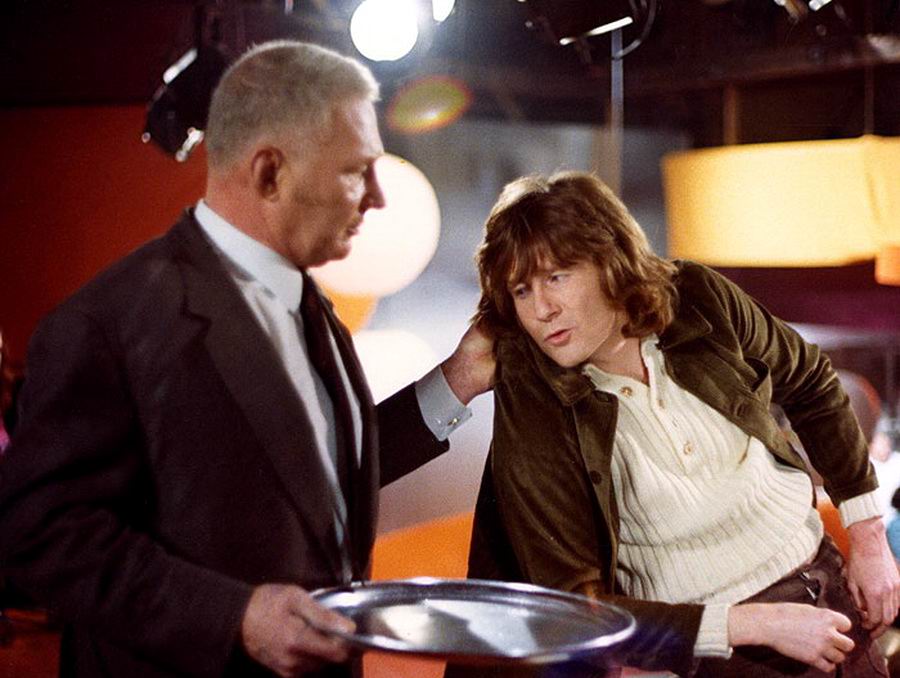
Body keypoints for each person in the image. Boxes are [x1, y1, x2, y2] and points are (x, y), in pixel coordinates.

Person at [0, 40, 493, 678]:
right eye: (355, 171)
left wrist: (458, 380)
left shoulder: (309, 304)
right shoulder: (107, 322)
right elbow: (40, 531)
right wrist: (236, 617)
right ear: (269, 174)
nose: (376, 198)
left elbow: (313, 472)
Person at [458, 170, 899, 677]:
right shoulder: (535, 398)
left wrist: (868, 537)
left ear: (609, 261)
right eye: (521, 290)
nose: (543, 309)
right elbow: (575, 609)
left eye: (557, 276)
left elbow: (811, 381)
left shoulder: (696, 296)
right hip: (713, 649)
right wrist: (752, 624)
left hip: (826, 590)